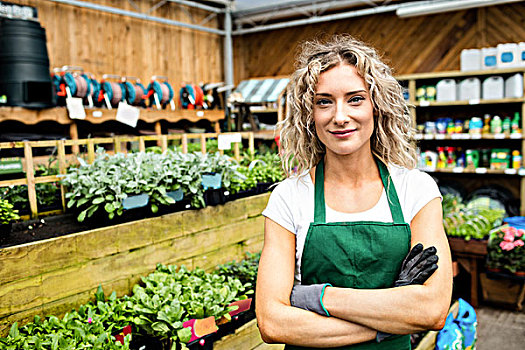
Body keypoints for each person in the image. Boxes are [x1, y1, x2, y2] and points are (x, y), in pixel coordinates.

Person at [256, 34, 453, 349]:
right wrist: (392, 318)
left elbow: (431, 310)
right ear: (310, 115)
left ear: (377, 106)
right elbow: (272, 322)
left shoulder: (415, 190)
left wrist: (316, 297)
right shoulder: (289, 198)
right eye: (324, 102)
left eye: (355, 98)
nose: (339, 116)